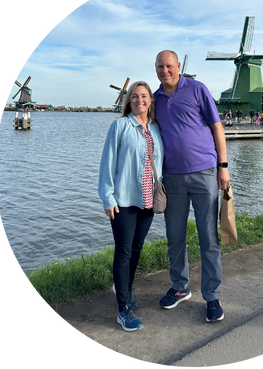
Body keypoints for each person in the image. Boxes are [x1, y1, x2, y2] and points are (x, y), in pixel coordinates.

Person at [154, 50, 230, 322]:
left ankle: (211, 295)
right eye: (160, 67)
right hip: (172, 176)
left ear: (178, 67)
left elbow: (217, 126)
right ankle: (180, 287)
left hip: (205, 173)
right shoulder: (155, 99)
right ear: (156, 69)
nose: (165, 71)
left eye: (169, 66)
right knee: (174, 235)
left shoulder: (198, 89)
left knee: (208, 236)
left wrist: (223, 166)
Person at [98, 81, 164, 332]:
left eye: (144, 96)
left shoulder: (155, 128)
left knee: (136, 249)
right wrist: (108, 197)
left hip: (147, 200)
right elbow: (108, 162)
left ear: (150, 101)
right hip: (124, 200)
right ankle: (124, 309)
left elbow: (159, 161)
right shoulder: (120, 126)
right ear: (129, 100)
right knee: (124, 252)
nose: (140, 100)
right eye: (135, 96)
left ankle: (124, 289)